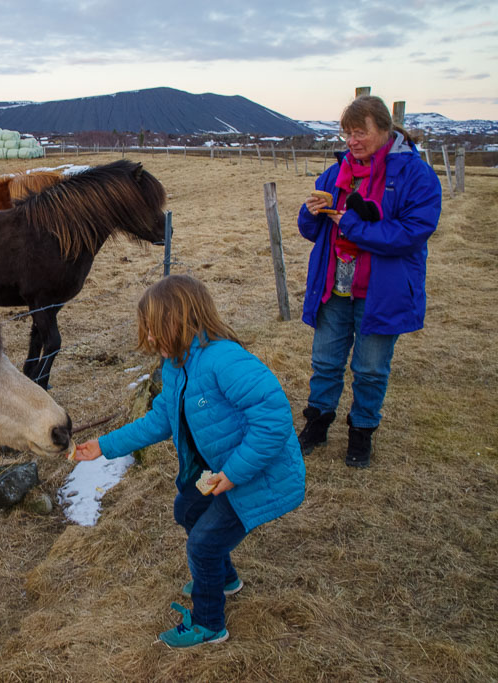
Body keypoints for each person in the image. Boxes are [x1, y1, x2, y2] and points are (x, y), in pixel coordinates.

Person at [73, 275, 306, 648]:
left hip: (256, 475)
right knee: (187, 509)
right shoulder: (177, 365)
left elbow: (274, 418)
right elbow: (161, 419)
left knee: (203, 544)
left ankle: (209, 623)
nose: (149, 340)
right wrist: (103, 445)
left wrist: (233, 473)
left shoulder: (223, 359)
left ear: (181, 320)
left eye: (154, 330)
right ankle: (223, 579)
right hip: (221, 471)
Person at [297, 95, 442, 467]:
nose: (352, 141)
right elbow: (313, 230)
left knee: (371, 368)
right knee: (325, 361)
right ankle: (317, 424)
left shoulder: (415, 175)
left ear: (384, 129)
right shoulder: (338, 172)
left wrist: (351, 224)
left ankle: (361, 433)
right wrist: (310, 213)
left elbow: (411, 233)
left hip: (382, 289)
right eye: (347, 133)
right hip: (335, 285)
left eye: (360, 132)